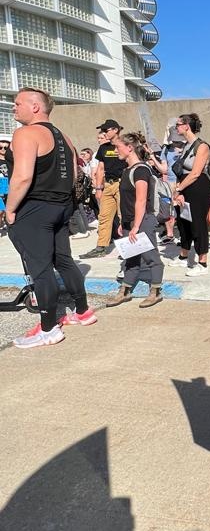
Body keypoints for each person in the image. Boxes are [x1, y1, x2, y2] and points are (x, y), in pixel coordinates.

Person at [5, 87, 96, 348]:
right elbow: (77, 176)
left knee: (40, 268)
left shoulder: (26, 133)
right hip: (61, 206)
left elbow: (22, 177)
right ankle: (82, 311)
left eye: (18, 103)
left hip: (35, 208)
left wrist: (10, 210)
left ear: (35, 107)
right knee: (64, 260)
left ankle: (48, 329)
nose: (14, 107)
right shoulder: (65, 138)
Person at [106, 131, 164, 308]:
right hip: (130, 221)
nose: (115, 151)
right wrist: (123, 223)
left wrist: (136, 226)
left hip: (142, 220)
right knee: (130, 258)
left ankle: (155, 290)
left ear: (129, 148)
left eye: (118, 147)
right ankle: (126, 290)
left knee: (150, 256)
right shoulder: (127, 170)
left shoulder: (140, 170)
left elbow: (141, 199)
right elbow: (127, 200)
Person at [174, 113, 210, 277]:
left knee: (198, 224)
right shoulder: (186, 146)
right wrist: (179, 189)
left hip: (197, 187)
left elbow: (196, 173)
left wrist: (178, 189)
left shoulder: (202, 146)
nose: (176, 128)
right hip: (185, 187)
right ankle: (184, 255)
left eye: (178, 124)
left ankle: (203, 262)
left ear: (186, 126)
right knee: (184, 222)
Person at [82, 118, 125, 258]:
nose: (104, 133)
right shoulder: (103, 148)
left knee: (124, 216)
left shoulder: (125, 144)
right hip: (107, 185)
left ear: (115, 130)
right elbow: (100, 168)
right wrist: (99, 188)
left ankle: (129, 249)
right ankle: (101, 247)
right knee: (104, 217)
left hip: (122, 184)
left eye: (106, 130)